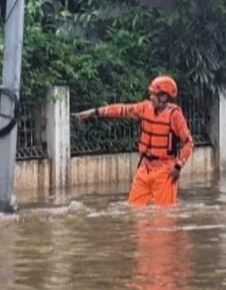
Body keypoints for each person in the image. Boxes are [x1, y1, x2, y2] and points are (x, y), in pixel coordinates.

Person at [74, 76, 194, 207]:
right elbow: (122, 110)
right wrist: (95, 112)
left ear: (164, 97)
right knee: (134, 210)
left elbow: (188, 143)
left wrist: (178, 166)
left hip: (165, 171)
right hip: (145, 167)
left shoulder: (174, 115)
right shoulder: (145, 108)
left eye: (154, 95)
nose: (151, 97)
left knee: (164, 216)